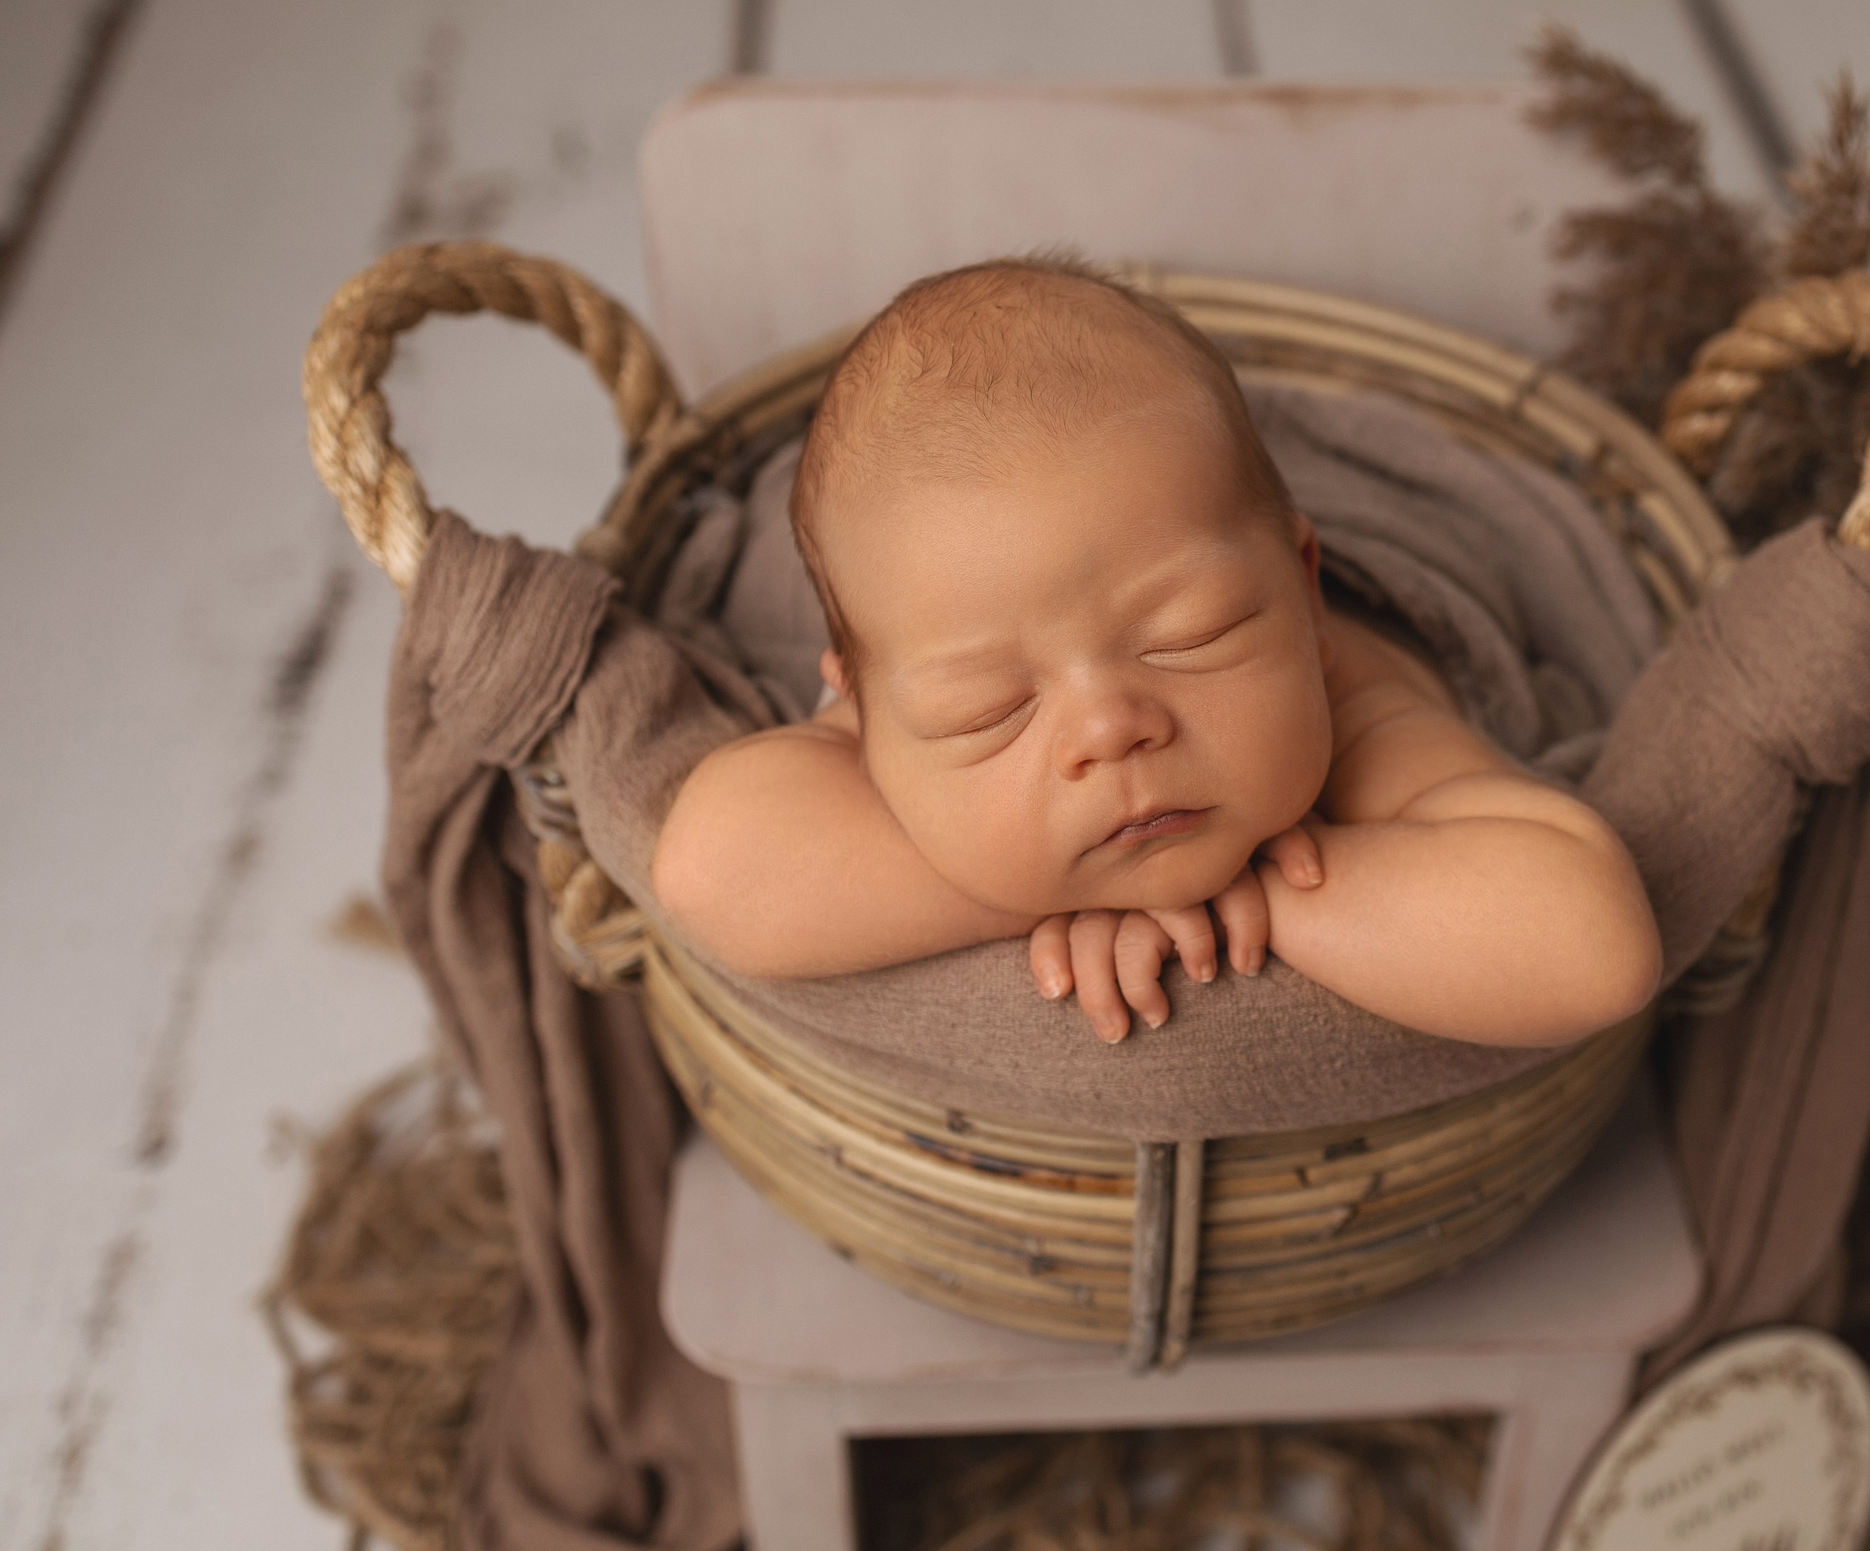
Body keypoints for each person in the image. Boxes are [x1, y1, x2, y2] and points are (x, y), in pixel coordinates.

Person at [651, 257, 1660, 1047]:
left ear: (1303, 592)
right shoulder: (920, 653)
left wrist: (1247, 895)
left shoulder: (1357, 708)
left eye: (1191, 635)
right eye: (988, 710)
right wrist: (1034, 885)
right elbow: (710, 871)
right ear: (864, 710)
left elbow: (1593, 948)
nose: (1110, 729)